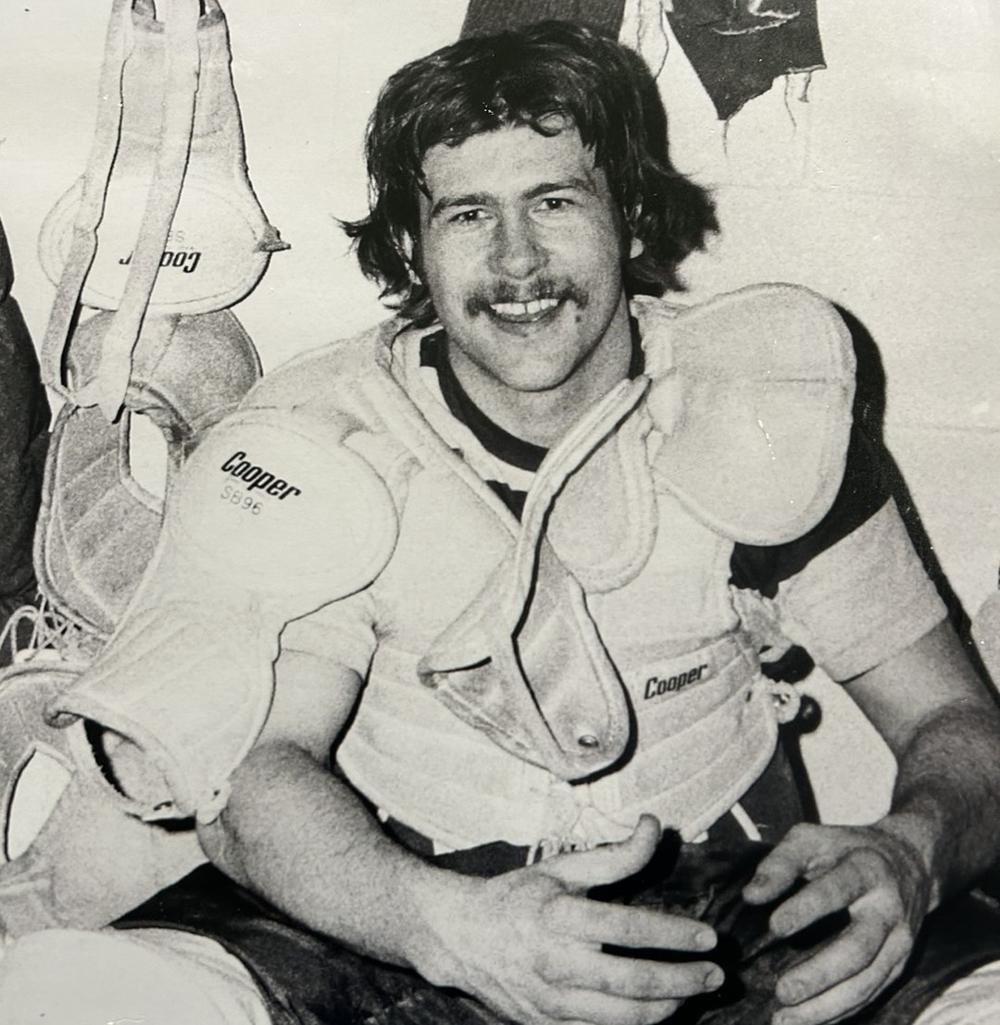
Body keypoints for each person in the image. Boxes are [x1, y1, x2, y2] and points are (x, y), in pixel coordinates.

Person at [4, 20, 1000, 1025]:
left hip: (718, 913)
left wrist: (910, 851)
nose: (517, 259)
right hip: (395, 903)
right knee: (64, 994)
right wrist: (439, 924)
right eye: (468, 212)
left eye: (555, 200)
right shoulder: (328, 442)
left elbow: (955, 725)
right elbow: (255, 774)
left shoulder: (761, 404)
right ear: (409, 242)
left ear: (634, 215)